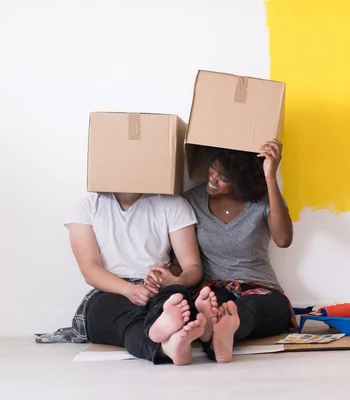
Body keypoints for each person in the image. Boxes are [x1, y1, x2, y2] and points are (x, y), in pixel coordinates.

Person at [36, 192, 218, 366]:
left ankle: (168, 333)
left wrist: (173, 280)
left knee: (176, 295)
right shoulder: (87, 205)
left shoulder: (173, 204)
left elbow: (193, 269)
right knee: (121, 317)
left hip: (158, 287)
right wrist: (129, 290)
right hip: (111, 290)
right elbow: (90, 270)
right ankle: (167, 344)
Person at [183, 139, 296, 363]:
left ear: (242, 183)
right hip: (213, 286)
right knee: (214, 303)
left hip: (259, 287)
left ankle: (223, 327)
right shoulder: (191, 201)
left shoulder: (262, 201)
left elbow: (283, 239)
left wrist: (270, 177)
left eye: (223, 178)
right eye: (212, 169)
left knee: (264, 307)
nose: (212, 179)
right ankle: (219, 326)